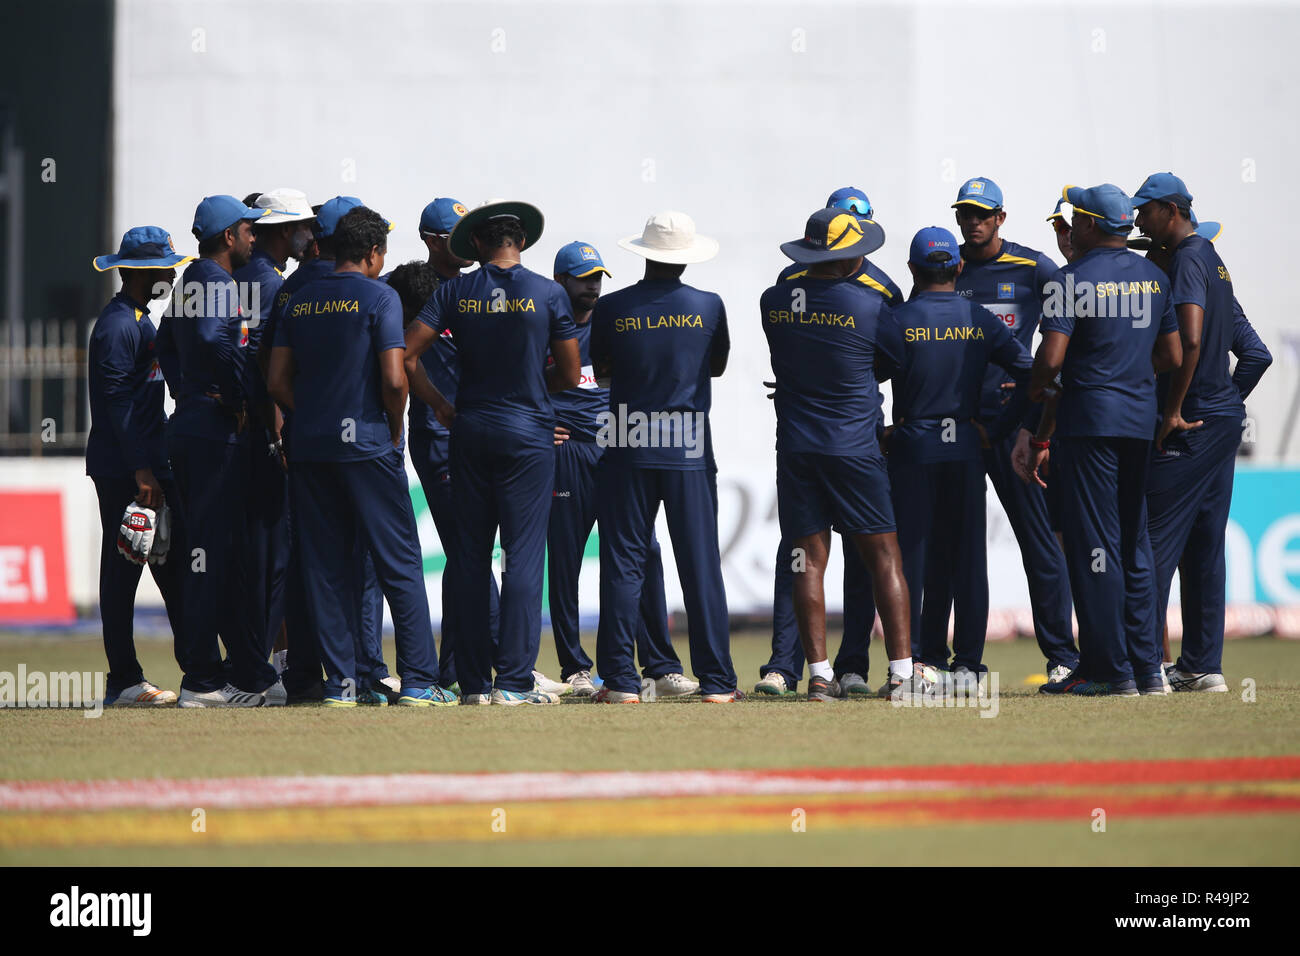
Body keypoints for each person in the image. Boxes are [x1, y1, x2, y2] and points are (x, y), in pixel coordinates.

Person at [268, 205, 453, 707]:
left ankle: (342, 686)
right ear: (373, 253)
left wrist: (306, 419)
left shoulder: (299, 300)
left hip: (310, 447)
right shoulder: (380, 298)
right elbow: (395, 379)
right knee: (399, 563)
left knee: (325, 567)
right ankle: (418, 681)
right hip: (369, 445)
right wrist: (394, 429)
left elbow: (276, 382)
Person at [404, 200, 580, 705]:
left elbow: (406, 352)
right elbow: (569, 376)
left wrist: (439, 403)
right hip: (528, 435)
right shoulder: (548, 293)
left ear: (478, 245)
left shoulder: (456, 290)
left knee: (469, 556)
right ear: (521, 243)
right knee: (522, 557)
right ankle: (514, 683)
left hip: (470, 429)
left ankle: (474, 685)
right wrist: (528, 386)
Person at [760, 207, 932, 702]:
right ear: (845, 256)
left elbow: (789, 358)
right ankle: (901, 673)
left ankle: (817, 675)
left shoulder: (773, 300)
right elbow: (893, 362)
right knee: (884, 556)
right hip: (856, 444)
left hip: (796, 445)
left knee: (806, 559)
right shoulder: (871, 306)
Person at [1029, 184, 1183, 696]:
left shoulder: (1069, 280)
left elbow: (1050, 361)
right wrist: (1129, 375)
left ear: (1092, 226)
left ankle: (1112, 673)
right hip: (1139, 422)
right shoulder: (1154, 276)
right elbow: (1174, 356)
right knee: (1134, 546)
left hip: (1089, 424)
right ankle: (1149, 670)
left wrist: (1037, 394)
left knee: (1095, 549)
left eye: (1077, 219)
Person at [590, 211, 741, 703]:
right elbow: (714, 366)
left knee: (624, 563)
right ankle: (717, 683)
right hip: (688, 442)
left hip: (627, 439)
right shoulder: (709, 305)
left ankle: (619, 682)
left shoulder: (612, 307)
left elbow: (605, 368)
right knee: (699, 564)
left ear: (645, 252)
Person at [880, 226, 1031, 691]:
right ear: (959, 267)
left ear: (911, 270)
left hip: (913, 449)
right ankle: (968, 665)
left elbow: (860, 379)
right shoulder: (981, 319)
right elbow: (1032, 372)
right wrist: (1000, 428)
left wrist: (878, 433)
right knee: (967, 559)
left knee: (915, 559)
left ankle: (922, 660)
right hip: (965, 447)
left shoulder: (897, 320)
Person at [1133, 172, 1269, 692]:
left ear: (1170, 209)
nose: (1140, 223)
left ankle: (1146, 667)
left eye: (1145, 212)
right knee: (1204, 549)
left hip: (1188, 423)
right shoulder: (1214, 263)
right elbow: (1256, 354)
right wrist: (1227, 404)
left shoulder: (1188, 259)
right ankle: (1201, 666)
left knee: (1150, 546)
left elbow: (1188, 340)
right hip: (1219, 422)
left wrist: (1174, 409)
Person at [547, 241, 695, 698]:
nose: (592, 287)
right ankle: (575, 668)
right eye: (583, 279)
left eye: (597, 278)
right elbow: (519, 381)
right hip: (568, 455)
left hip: (617, 451)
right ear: (561, 282)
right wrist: (539, 424)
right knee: (566, 560)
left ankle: (660, 667)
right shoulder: (543, 328)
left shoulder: (613, 323)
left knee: (643, 555)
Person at [951, 176, 1078, 683]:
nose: (974, 222)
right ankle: (964, 664)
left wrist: (1042, 405)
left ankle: (1062, 657)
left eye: (983, 214)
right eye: (966, 214)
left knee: (1039, 542)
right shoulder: (946, 266)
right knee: (959, 546)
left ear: (1001, 218)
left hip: (1013, 426)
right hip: (957, 424)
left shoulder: (1033, 267)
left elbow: (1069, 327)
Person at [159, 195, 280, 707]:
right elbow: (213, 338)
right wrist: (233, 395)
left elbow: (167, 344)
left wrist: (187, 390)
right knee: (210, 555)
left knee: (211, 553)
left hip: (193, 423)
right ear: (228, 236)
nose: (255, 237)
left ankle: (239, 671)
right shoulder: (214, 280)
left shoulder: (191, 280)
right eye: (249, 230)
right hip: (212, 430)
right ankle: (203, 681)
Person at [87, 227, 194, 706]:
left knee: (171, 569)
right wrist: (141, 472)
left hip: (146, 464)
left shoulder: (137, 319)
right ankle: (125, 680)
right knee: (123, 569)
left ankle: (201, 672)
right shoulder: (118, 327)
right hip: (127, 471)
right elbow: (115, 405)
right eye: (164, 268)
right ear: (140, 273)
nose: (172, 273)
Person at [401, 198, 502, 695]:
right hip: (440, 435)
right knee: (469, 550)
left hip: (480, 431)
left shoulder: (477, 286)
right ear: (432, 240)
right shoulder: (412, 289)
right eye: (457, 234)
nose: (468, 242)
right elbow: (401, 357)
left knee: (470, 553)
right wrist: (439, 406)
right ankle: (498, 663)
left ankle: (458, 671)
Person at [233, 189, 313, 675]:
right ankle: (266, 665)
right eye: (303, 225)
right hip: (265, 432)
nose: (309, 233)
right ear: (285, 231)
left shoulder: (241, 277)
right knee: (274, 555)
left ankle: (271, 659)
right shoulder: (270, 283)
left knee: (257, 554)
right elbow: (266, 366)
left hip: (239, 429)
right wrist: (278, 431)